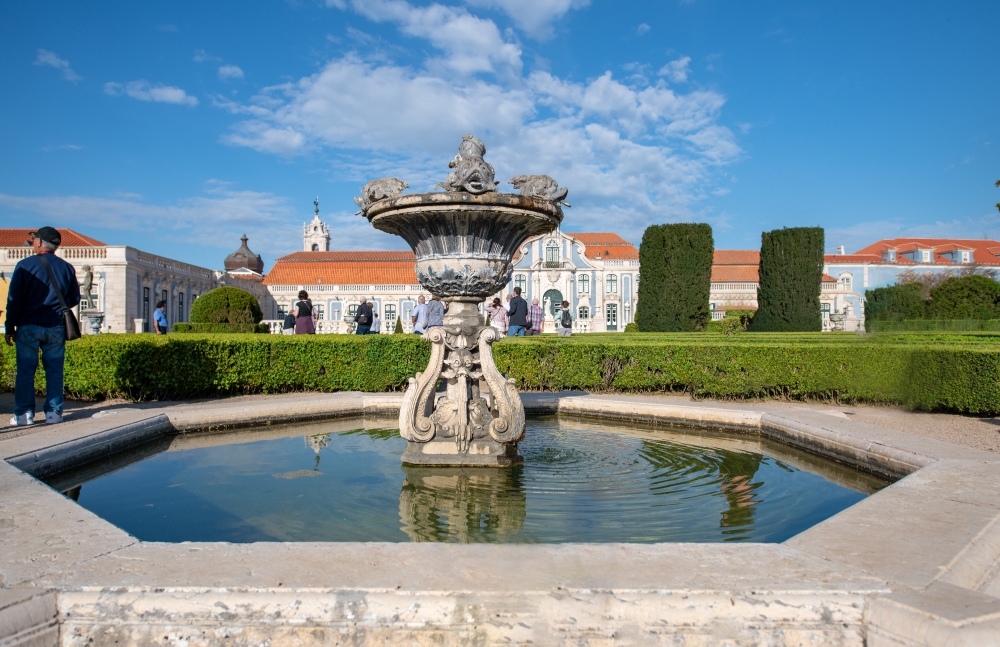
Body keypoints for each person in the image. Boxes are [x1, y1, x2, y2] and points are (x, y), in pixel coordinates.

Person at [4, 226, 81, 426]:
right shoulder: (67, 267)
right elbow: (74, 298)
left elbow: (14, 300)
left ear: (39, 242)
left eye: (34, 240)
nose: (32, 243)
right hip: (55, 326)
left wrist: (10, 326)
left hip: (28, 325)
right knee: (55, 370)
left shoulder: (24, 266)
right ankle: (54, 413)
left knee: (26, 370)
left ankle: (24, 414)